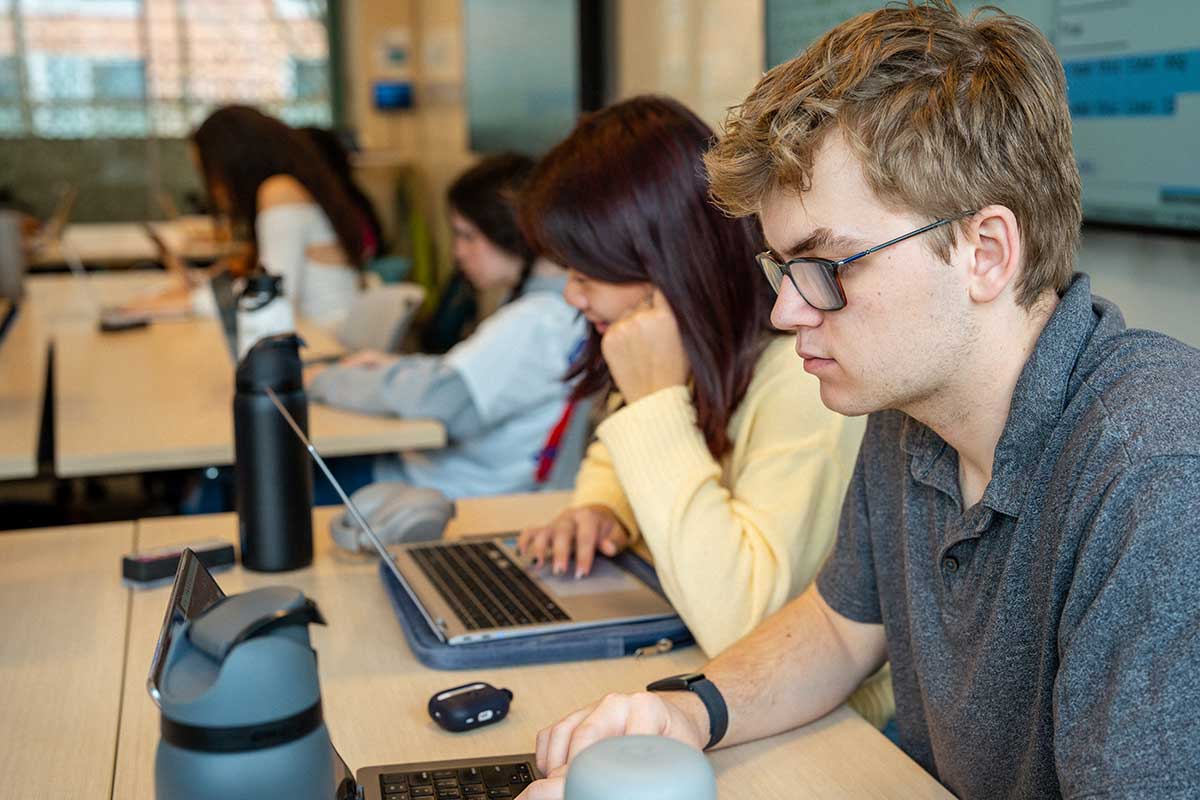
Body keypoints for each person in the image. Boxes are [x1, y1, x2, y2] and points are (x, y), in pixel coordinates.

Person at [516, 5, 1200, 800]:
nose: (785, 312)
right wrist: (686, 712)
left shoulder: (1157, 480)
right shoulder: (907, 414)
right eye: (783, 268)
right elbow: (840, 628)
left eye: (829, 265)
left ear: (985, 253)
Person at [513, 95, 889, 719]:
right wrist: (598, 507)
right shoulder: (693, 352)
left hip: (836, 731)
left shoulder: (807, 382)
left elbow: (743, 622)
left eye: (587, 272)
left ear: (667, 266)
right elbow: (614, 451)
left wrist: (657, 402)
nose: (572, 294)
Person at [307, 153, 585, 500]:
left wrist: (322, 381)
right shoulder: (550, 309)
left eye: (468, 236)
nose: (458, 253)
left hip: (435, 491)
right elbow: (470, 374)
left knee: (275, 480)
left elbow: (441, 399)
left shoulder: (537, 320)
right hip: (443, 480)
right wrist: (400, 366)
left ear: (513, 231)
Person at [124, 106, 366, 326]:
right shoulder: (294, 187)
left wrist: (185, 304)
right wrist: (199, 292)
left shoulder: (280, 192)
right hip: (313, 338)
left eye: (211, 173)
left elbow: (271, 296)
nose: (216, 188)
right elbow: (268, 282)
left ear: (235, 162)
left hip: (325, 346)